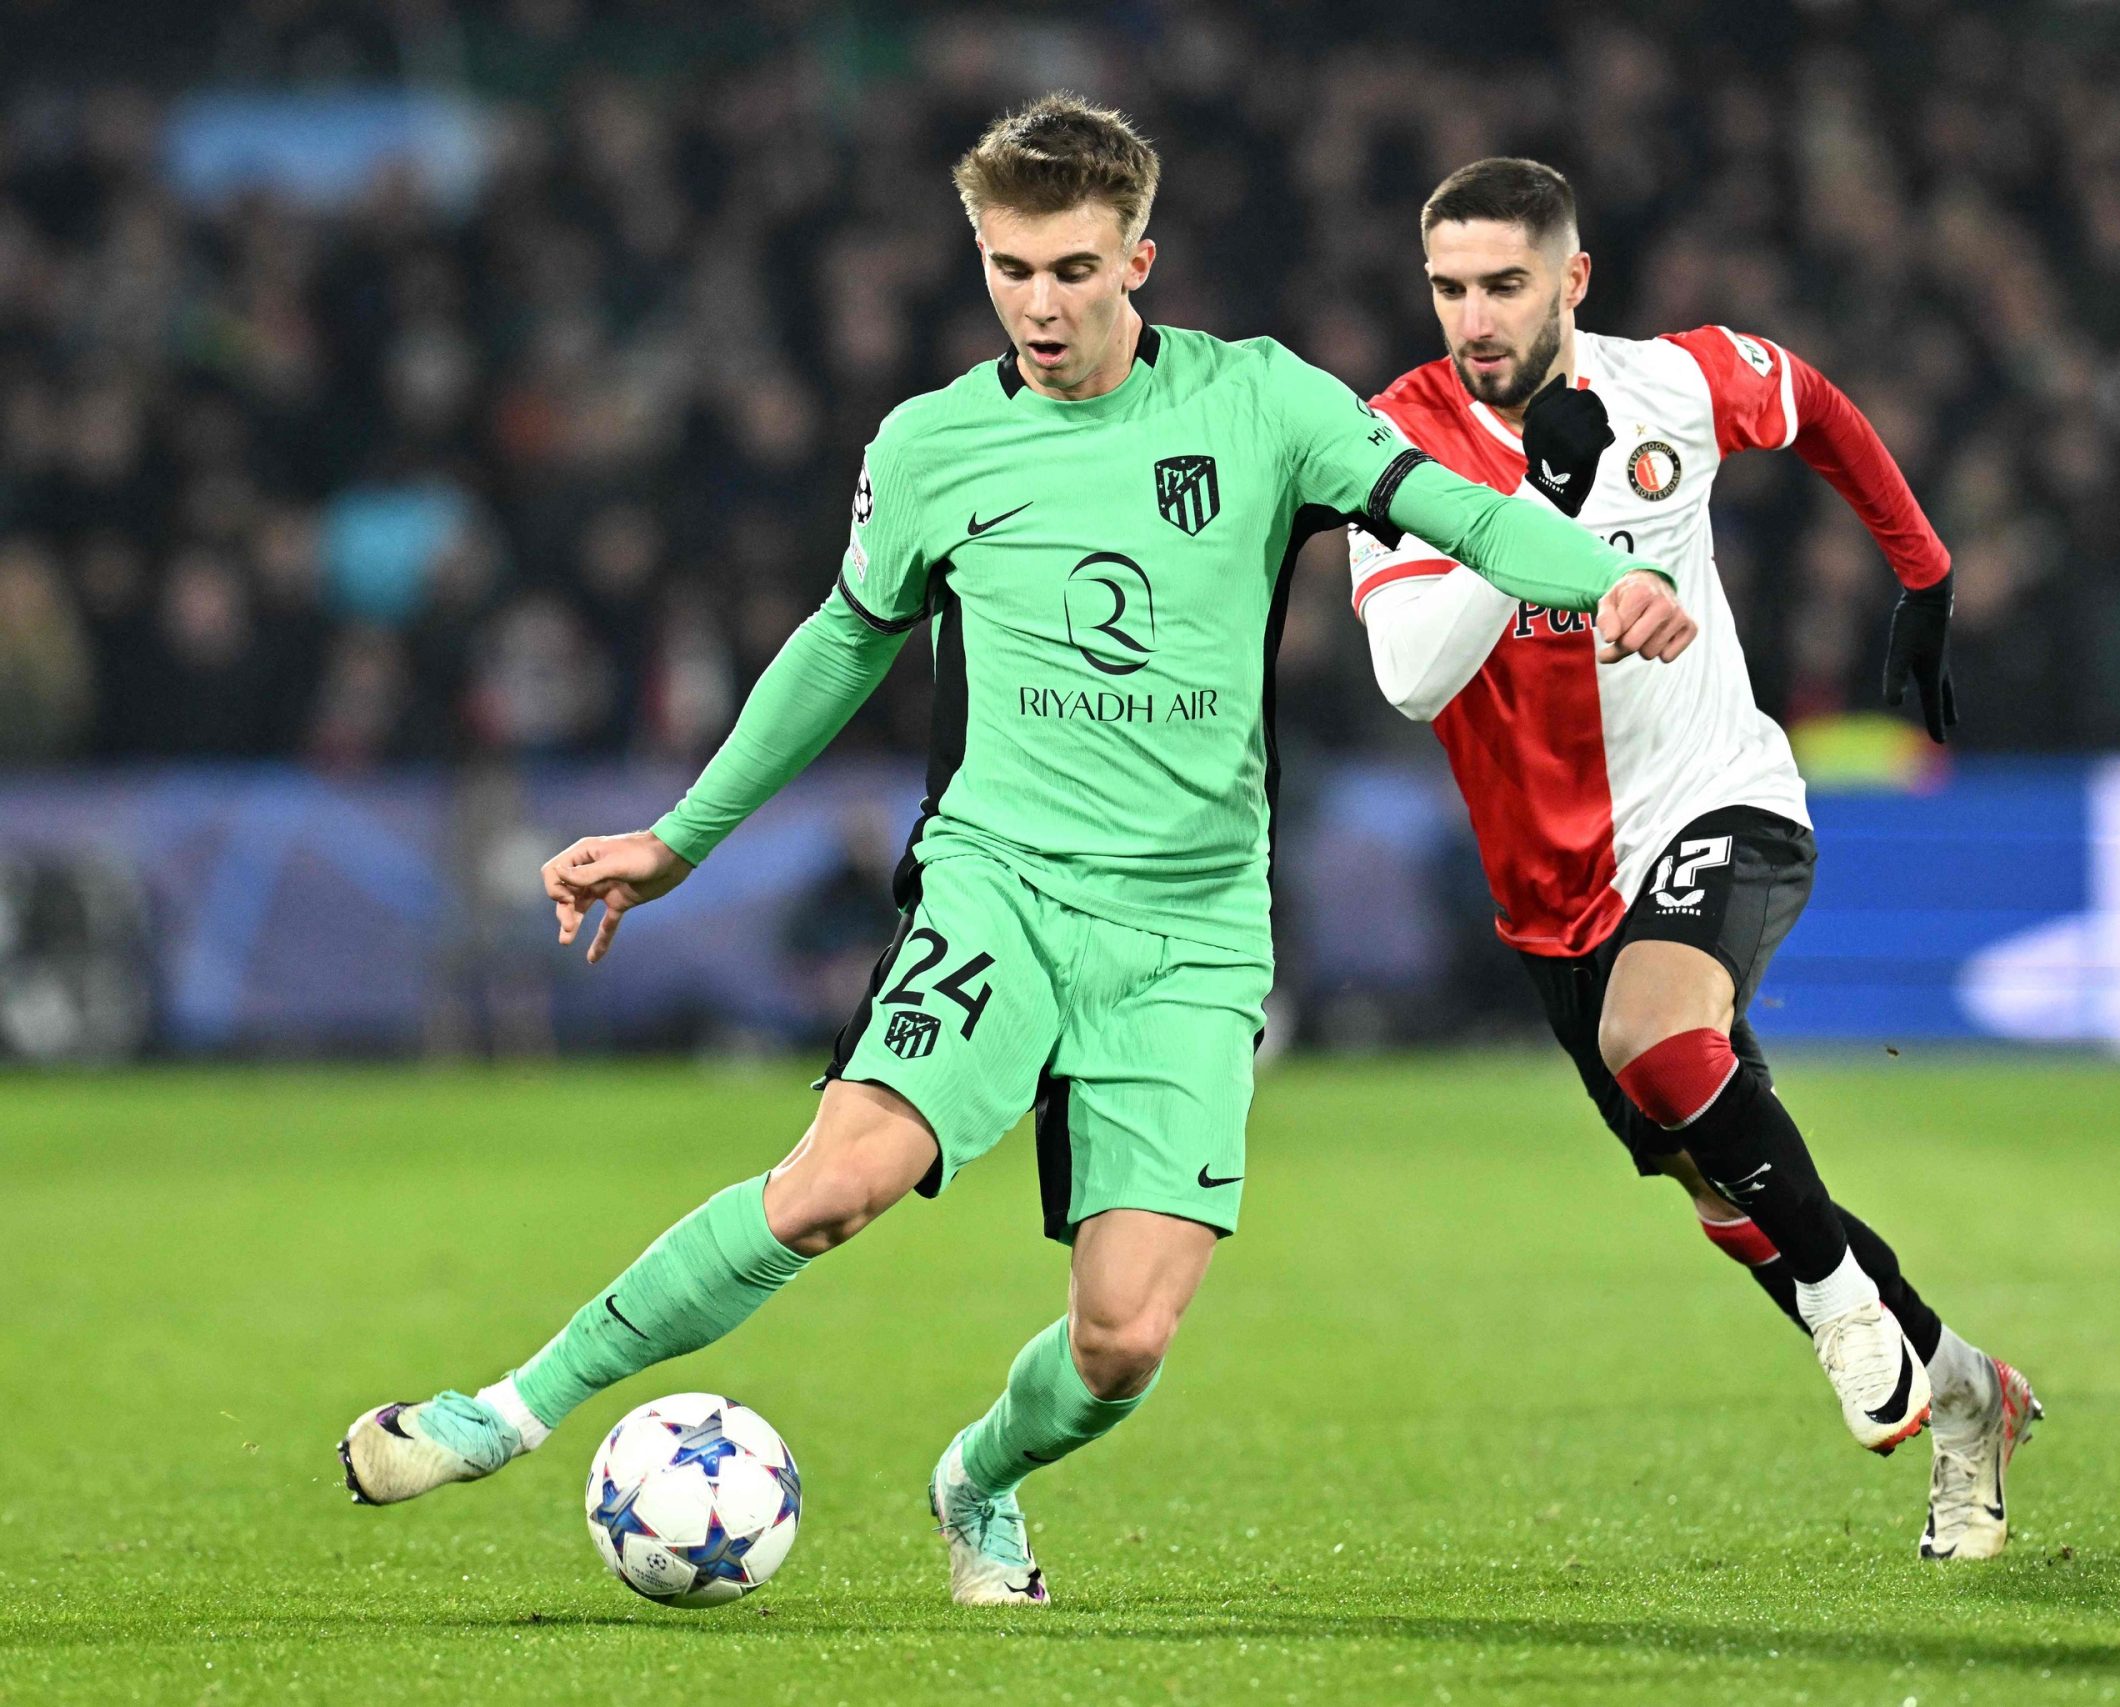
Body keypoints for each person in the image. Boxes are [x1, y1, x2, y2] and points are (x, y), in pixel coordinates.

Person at [337, 99, 1696, 1606]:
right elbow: (842, 645)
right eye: (1008, 269)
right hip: (1001, 883)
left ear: (1139, 262)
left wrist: (1606, 586)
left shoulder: (1263, 407)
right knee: (830, 1187)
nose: (1038, 305)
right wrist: (677, 841)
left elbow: (1477, 515)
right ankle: (502, 1411)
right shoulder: (933, 444)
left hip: (1191, 926)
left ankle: (978, 1476)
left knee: (1122, 1340)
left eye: (1070, 269)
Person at [1346, 158, 2037, 1561]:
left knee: (1662, 1041)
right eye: (1450, 288)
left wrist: (1924, 571)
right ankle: (1966, 1391)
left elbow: (1818, 405)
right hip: (1549, 895)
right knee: (1724, 1188)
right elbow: (1416, 674)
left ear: (1571, 282)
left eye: (1506, 285)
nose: (1475, 318)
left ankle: (1848, 1308)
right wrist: (1527, 519)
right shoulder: (1389, 444)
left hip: (1720, 801)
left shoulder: (1676, 384)